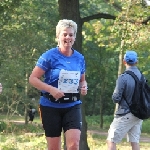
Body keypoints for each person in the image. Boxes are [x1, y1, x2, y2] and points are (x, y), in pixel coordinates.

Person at [29, 19, 87, 150]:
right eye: (64, 34)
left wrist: (84, 86)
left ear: (75, 37)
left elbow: (82, 80)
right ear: (58, 36)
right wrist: (50, 89)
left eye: (71, 35)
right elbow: (33, 79)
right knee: (54, 147)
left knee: (74, 145)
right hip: (50, 106)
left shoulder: (79, 58)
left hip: (72, 105)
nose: (68, 37)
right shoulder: (49, 56)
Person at [107, 50, 143, 150]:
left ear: (124, 62)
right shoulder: (142, 77)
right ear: (136, 62)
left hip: (125, 113)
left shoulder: (123, 77)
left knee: (111, 140)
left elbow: (116, 98)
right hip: (138, 115)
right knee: (135, 142)